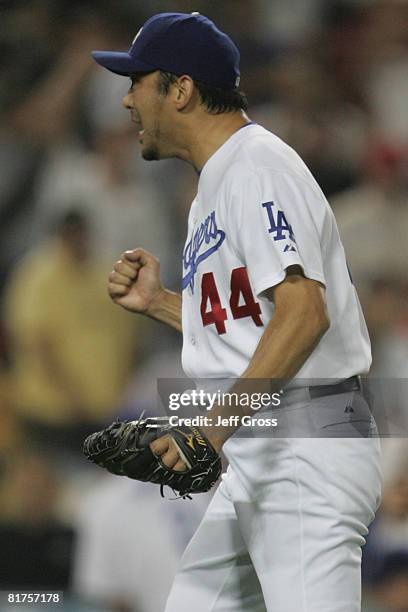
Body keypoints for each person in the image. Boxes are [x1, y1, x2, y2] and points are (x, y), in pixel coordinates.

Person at [92, 12, 382, 611]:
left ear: (181, 88)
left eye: (136, 80)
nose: (125, 99)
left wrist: (211, 426)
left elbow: (304, 315)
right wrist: (165, 304)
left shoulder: (259, 167)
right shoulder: (215, 189)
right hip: (261, 449)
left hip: (306, 447)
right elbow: (256, 325)